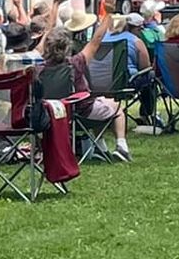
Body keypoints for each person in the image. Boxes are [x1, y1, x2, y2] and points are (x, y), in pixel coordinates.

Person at [38, 26, 130, 160]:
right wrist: (108, 15)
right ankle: (122, 147)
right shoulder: (76, 63)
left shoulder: (38, 70)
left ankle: (100, 149)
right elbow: (96, 41)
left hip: (52, 115)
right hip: (81, 113)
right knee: (116, 107)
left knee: (101, 102)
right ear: (68, 46)